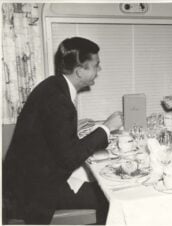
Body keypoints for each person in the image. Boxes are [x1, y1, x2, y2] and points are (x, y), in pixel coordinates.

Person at [3, 37, 123, 224]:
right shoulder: (60, 102)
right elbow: (69, 159)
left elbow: (52, 133)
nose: (99, 70)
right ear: (79, 71)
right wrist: (106, 127)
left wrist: (72, 127)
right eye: (96, 65)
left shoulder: (53, 85)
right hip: (33, 192)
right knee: (109, 197)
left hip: (26, 180)